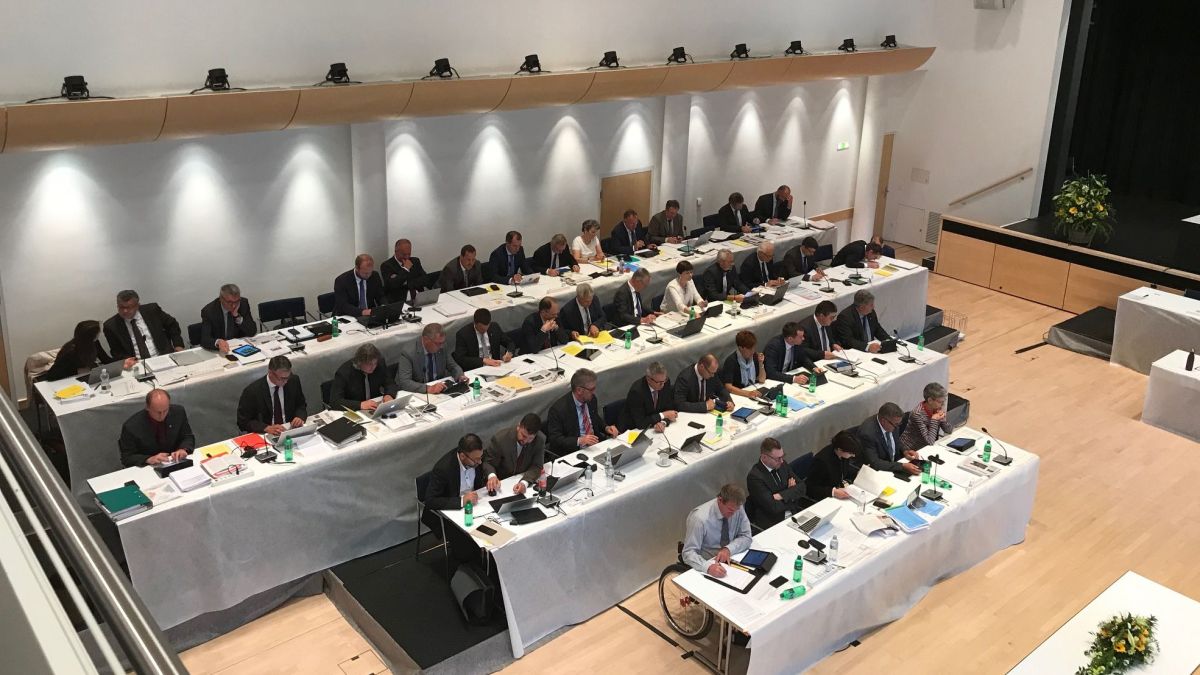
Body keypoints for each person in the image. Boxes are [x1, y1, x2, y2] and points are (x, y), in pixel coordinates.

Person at [421, 434, 488, 563]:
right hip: (451, 509)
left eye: (481, 458)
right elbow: (430, 500)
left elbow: (483, 470)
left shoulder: (476, 458)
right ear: (462, 456)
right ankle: (470, 567)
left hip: (475, 505)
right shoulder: (443, 468)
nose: (480, 462)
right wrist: (462, 501)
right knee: (467, 547)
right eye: (476, 460)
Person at [681, 484, 753, 576]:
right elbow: (688, 553)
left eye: (736, 510)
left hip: (730, 557)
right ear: (720, 500)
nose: (734, 514)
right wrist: (708, 567)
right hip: (706, 561)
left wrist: (728, 549)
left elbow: (746, 536)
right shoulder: (699, 519)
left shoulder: (736, 508)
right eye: (730, 510)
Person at [546, 369, 618, 455]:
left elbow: (595, 418)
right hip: (574, 452)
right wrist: (579, 440)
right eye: (591, 389)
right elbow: (555, 439)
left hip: (595, 445)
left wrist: (606, 428)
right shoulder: (558, 410)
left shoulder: (591, 400)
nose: (594, 392)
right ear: (579, 390)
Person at [118, 389, 195, 467]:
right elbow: (127, 458)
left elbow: (187, 436)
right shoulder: (131, 426)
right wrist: (148, 459)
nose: (162, 416)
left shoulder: (178, 412)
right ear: (147, 408)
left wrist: (183, 449)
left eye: (165, 410)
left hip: (175, 461)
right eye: (158, 412)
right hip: (148, 467)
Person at [103, 290, 185, 361]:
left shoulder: (152, 310)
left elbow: (172, 325)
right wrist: (127, 360)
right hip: (136, 364)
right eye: (121, 307)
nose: (125, 311)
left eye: (129, 307)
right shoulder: (111, 326)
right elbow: (116, 351)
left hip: (163, 356)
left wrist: (178, 345)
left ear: (137, 305)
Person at [746, 437, 808, 529]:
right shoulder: (755, 477)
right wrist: (792, 494)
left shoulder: (782, 465)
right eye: (778, 458)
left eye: (783, 456)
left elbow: (802, 487)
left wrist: (781, 495)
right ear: (764, 457)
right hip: (773, 523)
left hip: (794, 515)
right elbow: (774, 507)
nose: (782, 461)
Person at [236, 355, 308, 434]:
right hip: (266, 433)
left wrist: (299, 417)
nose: (286, 381)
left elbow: (301, 405)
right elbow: (243, 422)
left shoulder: (293, 381)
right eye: (282, 378)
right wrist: (266, 428)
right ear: (270, 373)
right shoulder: (252, 391)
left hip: (289, 429)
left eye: (288, 377)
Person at [483, 413, 546, 496]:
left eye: (530, 438)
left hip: (522, 478)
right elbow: (488, 462)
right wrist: (492, 476)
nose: (525, 441)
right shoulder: (500, 439)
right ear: (518, 426)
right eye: (523, 436)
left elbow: (537, 466)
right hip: (501, 484)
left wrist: (524, 483)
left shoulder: (540, 440)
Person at [46, 320, 127, 381]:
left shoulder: (94, 343)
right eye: (98, 332)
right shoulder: (71, 350)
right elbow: (52, 375)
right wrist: (77, 371)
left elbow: (105, 359)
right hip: (70, 380)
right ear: (90, 336)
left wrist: (123, 361)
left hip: (89, 376)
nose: (100, 334)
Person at [396, 323, 465, 393]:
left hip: (438, 388)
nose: (441, 346)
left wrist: (460, 376)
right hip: (418, 391)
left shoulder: (442, 347)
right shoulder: (409, 353)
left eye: (442, 342)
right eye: (438, 343)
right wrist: (428, 388)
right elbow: (405, 382)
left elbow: (453, 366)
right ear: (426, 339)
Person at [857, 402, 920, 475]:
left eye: (899, 424)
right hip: (879, 471)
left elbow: (896, 441)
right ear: (883, 421)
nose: (897, 427)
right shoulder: (868, 433)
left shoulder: (893, 422)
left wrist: (905, 451)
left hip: (895, 464)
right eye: (896, 424)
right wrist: (902, 466)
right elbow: (875, 463)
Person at [329, 343, 398, 411]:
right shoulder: (344, 372)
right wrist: (360, 405)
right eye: (369, 364)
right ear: (359, 362)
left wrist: (389, 395)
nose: (373, 367)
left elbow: (390, 383)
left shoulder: (379, 364)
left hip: (375, 405)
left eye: (375, 363)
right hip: (355, 408)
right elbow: (335, 401)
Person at [619, 361, 679, 432]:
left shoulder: (665, 382)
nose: (662, 385)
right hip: (634, 430)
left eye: (664, 381)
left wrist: (663, 422)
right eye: (659, 382)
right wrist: (662, 415)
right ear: (648, 379)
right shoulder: (637, 392)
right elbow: (640, 423)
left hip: (653, 426)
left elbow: (669, 409)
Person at [199, 283, 258, 353]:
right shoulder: (209, 311)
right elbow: (205, 340)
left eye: (236, 301)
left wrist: (236, 316)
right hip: (220, 350)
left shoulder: (243, 303)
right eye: (229, 302)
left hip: (240, 346)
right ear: (221, 299)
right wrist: (218, 342)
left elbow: (252, 331)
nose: (234, 306)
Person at [806, 430, 863, 500]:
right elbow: (810, 488)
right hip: (824, 497)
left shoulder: (843, 455)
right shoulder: (821, 461)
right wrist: (833, 492)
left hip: (839, 490)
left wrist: (856, 472)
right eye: (851, 453)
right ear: (840, 450)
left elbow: (843, 471)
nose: (853, 456)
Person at [900, 382, 954, 452]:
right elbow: (930, 441)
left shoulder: (936, 408)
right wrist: (934, 420)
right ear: (930, 400)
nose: (943, 404)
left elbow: (949, 430)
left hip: (926, 446)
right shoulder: (917, 414)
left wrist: (942, 419)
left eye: (944, 401)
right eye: (940, 402)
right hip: (911, 449)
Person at [380, 238, 429, 304]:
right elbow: (392, 285)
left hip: (419, 298)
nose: (407, 257)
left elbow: (425, 279)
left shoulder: (415, 261)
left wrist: (407, 283)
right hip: (400, 301)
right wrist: (405, 269)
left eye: (409, 254)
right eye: (404, 254)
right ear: (396, 251)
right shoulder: (386, 265)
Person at [720, 330, 767, 398]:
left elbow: (762, 380)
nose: (753, 351)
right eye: (750, 349)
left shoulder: (754, 356)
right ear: (740, 348)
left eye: (753, 348)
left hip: (752, 391)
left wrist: (760, 363)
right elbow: (728, 387)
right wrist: (747, 393)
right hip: (738, 395)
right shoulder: (731, 361)